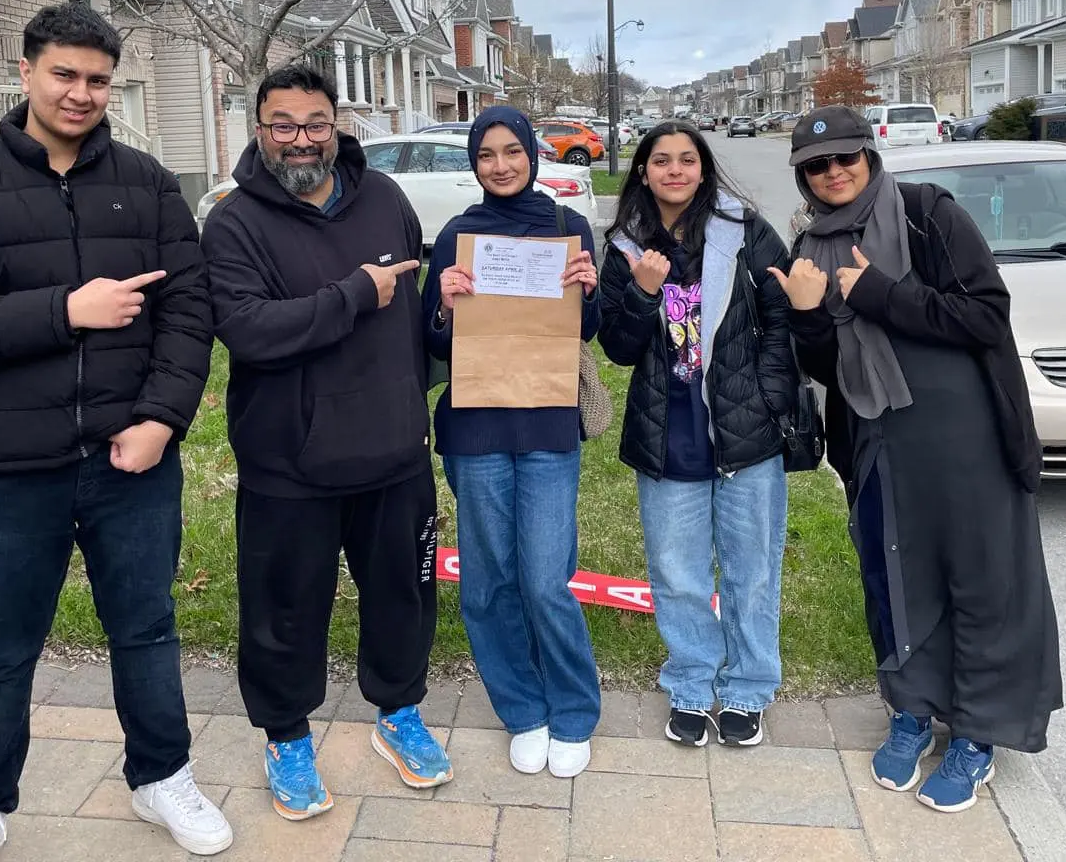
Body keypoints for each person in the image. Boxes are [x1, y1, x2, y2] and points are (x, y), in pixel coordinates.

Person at [0, 3, 228, 861]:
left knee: (146, 629)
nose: (81, 93)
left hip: (131, 462)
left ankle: (162, 777)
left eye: (97, 80)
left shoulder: (148, 185)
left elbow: (189, 314)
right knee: (1, 646)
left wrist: (161, 420)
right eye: (64, 74)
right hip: (12, 465)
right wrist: (67, 311)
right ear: (26, 73)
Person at [769, 106, 1062, 814]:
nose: (833, 173)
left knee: (981, 578)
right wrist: (807, 314)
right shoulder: (810, 244)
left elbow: (985, 315)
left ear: (869, 156)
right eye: (816, 165)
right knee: (897, 575)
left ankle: (978, 732)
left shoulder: (927, 214)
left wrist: (879, 294)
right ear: (803, 177)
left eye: (845, 158)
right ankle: (911, 708)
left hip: (965, 433)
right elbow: (828, 366)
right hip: (876, 435)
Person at [199, 61, 452, 822]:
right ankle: (286, 737)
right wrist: (353, 294)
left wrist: (448, 316)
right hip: (289, 463)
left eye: (315, 124)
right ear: (259, 129)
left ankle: (399, 712)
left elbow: (411, 310)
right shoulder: (235, 222)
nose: (301, 139)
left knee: (404, 596)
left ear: (336, 125)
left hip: (393, 449)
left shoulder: (385, 198)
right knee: (283, 611)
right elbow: (247, 329)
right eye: (283, 125)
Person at [596, 120, 796, 749]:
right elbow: (618, 348)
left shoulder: (744, 230)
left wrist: (768, 400)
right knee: (678, 575)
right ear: (644, 171)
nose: (675, 170)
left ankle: (748, 688)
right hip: (668, 435)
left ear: (703, 168)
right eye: (662, 160)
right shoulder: (626, 246)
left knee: (751, 572)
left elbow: (781, 318)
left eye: (687, 159)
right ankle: (690, 683)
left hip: (744, 434)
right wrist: (642, 292)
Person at [420, 107, 603, 779]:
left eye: (511, 151)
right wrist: (443, 304)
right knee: (488, 581)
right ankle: (523, 709)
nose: (500, 165)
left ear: (531, 154)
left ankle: (574, 709)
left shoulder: (567, 227)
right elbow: (432, 341)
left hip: (548, 424)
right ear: (474, 163)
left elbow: (588, 330)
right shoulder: (458, 234)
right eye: (486, 155)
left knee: (546, 579)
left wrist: (589, 290)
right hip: (477, 429)